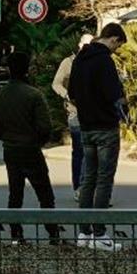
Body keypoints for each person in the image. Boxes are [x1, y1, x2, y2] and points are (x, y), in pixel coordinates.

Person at [0, 51, 61, 245]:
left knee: (15, 193)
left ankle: (16, 235)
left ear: (8, 69)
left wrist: (8, 137)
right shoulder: (34, 95)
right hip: (31, 149)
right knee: (45, 194)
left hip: (11, 149)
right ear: (27, 69)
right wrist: (38, 141)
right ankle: (53, 234)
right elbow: (45, 126)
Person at [68, 22, 129, 252]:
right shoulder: (105, 61)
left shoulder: (80, 60)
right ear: (113, 39)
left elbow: (72, 93)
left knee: (88, 179)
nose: (117, 50)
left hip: (85, 126)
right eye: (118, 45)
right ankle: (100, 233)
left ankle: (84, 232)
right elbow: (113, 95)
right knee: (104, 180)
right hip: (105, 127)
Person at [52, 33, 94, 202]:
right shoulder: (68, 63)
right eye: (86, 44)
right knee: (80, 151)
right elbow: (56, 83)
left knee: (93, 153)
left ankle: (92, 189)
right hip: (76, 112)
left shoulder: (96, 63)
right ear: (79, 45)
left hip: (93, 113)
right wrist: (67, 95)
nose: (88, 47)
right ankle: (79, 187)